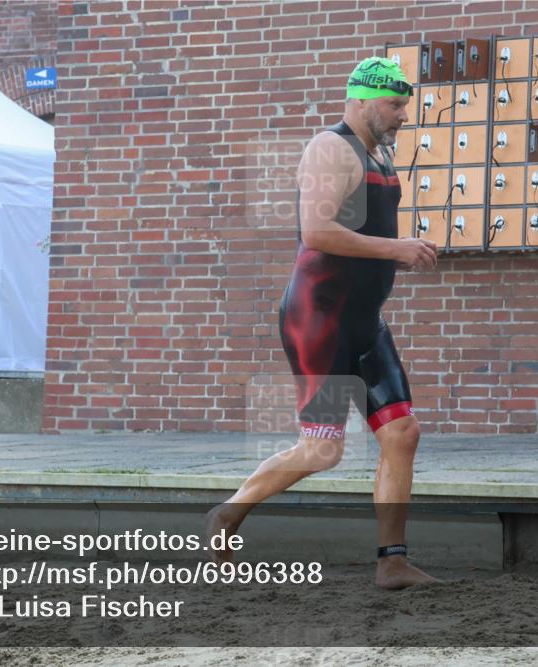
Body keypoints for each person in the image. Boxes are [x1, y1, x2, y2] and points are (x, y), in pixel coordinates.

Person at [207, 56, 439, 589]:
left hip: (364, 320)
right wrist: (395, 248)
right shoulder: (329, 148)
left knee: (402, 433)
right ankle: (229, 512)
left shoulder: (378, 153)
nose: (404, 115)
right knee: (323, 449)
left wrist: (401, 249)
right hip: (320, 319)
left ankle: (392, 562)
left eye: (405, 104)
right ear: (361, 99)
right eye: (395, 104)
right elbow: (317, 231)